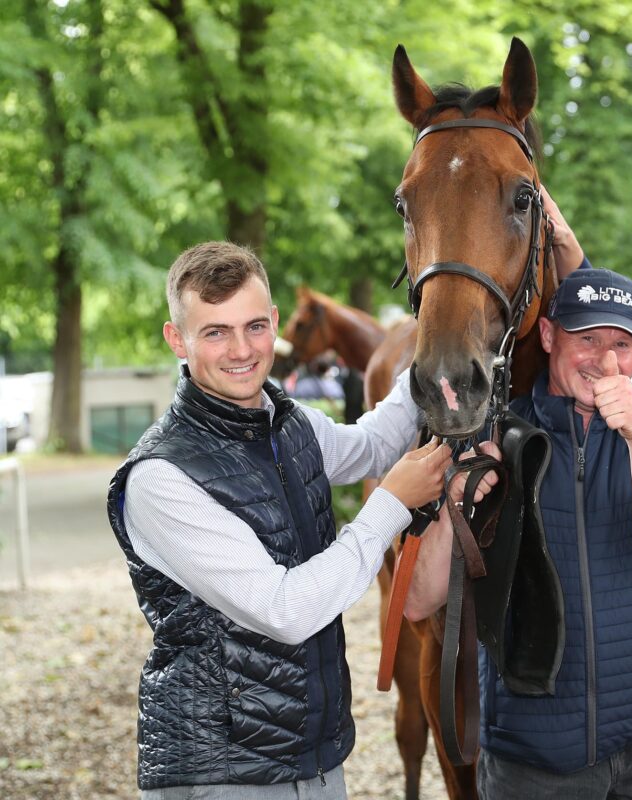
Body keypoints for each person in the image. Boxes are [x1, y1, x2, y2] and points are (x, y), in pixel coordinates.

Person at [108, 241, 453, 798]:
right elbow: (285, 611)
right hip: (222, 774)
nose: (241, 349)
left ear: (274, 323)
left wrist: (433, 354)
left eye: (254, 327)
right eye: (215, 332)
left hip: (313, 757)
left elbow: (370, 445)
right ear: (176, 339)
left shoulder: (288, 425)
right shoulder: (161, 477)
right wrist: (390, 505)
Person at [405, 268, 632, 800]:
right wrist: (455, 506)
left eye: (622, 344)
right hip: (533, 753)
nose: (605, 361)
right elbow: (417, 600)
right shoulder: (494, 436)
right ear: (547, 336)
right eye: (586, 338)